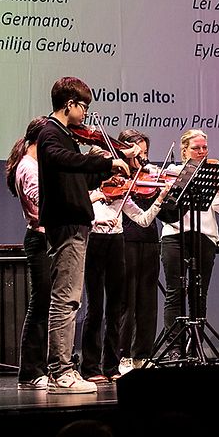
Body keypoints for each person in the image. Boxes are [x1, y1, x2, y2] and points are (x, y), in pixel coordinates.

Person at [36, 77, 138, 393]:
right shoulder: (50, 134)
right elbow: (64, 160)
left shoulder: (65, 136)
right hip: (65, 223)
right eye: (84, 107)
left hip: (76, 222)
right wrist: (103, 157)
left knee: (71, 298)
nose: (85, 115)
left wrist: (110, 168)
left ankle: (63, 369)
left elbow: (81, 173)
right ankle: (60, 372)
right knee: (65, 299)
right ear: (71, 104)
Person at [82, 130, 170, 381]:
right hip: (95, 243)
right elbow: (80, 215)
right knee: (95, 308)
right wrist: (94, 203)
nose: (113, 176)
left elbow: (142, 220)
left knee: (113, 309)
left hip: (116, 243)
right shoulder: (88, 193)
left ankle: (111, 367)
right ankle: (90, 367)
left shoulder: (121, 194)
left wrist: (160, 198)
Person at [158, 129, 219, 347]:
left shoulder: (212, 174)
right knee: (175, 292)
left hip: (204, 237)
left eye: (204, 147)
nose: (202, 152)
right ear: (184, 151)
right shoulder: (174, 172)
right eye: (196, 148)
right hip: (175, 235)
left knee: (199, 293)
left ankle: (195, 347)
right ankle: (174, 347)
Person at [7, 117, 52, 390]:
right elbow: (41, 200)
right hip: (39, 238)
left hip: (46, 238)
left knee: (46, 305)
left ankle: (39, 367)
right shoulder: (28, 166)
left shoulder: (37, 165)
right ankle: (31, 371)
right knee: (40, 304)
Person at [117, 129, 167, 372]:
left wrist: (165, 194)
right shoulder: (117, 177)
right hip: (125, 240)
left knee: (148, 302)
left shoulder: (151, 176)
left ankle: (142, 354)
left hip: (149, 240)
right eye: (138, 154)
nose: (143, 159)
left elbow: (167, 215)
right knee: (127, 301)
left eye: (145, 153)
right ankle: (123, 355)